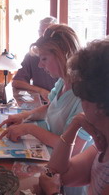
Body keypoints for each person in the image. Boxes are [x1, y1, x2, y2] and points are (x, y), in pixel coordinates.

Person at [0, 24, 93, 195]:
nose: (40, 66)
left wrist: (29, 128)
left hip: (71, 179)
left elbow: (71, 148)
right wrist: (25, 116)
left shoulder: (86, 95)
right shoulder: (63, 81)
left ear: (62, 56)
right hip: (52, 163)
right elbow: (51, 106)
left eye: (44, 59)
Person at [39, 39, 109, 195]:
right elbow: (59, 174)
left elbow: (52, 180)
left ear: (98, 103)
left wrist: (52, 193)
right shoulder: (102, 146)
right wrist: (75, 124)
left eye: (79, 91)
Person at [12, 17, 58, 102]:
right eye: (41, 31)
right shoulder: (32, 54)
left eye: (47, 32)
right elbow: (16, 82)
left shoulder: (65, 58)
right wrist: (40, 90)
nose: (43, 35)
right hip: (43, 102)